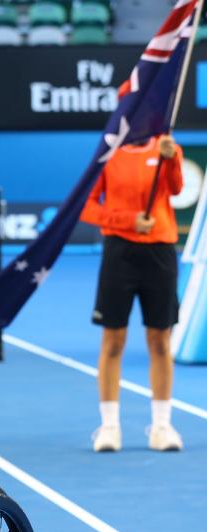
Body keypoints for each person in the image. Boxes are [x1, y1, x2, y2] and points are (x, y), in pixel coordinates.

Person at [80, 129, 185, 452]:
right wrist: (127, 220)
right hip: (120, 253)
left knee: (159, 340)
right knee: (113, 340)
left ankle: (162, 426)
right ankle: (110, 427)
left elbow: (176, 189)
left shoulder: (168, 146)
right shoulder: (108, 153)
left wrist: (172, 158)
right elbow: (86, 207)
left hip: (160, 252)